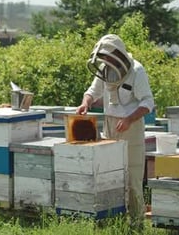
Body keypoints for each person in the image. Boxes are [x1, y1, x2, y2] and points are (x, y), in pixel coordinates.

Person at [75, 34, 154, 230]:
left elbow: (147, 102)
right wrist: (85, 103)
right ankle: (113, 220)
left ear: (118, 54)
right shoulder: (104, 68)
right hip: (109, 125)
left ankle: (137, 225)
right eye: (105, 59)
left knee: (133, 178)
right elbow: (93, 91)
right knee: (110, 176)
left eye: (109, 58)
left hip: (131, 127)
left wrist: (129, 119)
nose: (107, 62)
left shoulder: (137, 70)